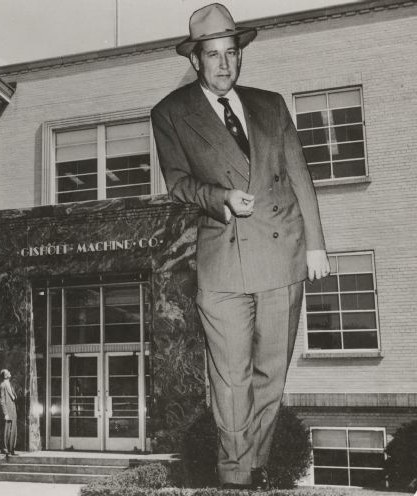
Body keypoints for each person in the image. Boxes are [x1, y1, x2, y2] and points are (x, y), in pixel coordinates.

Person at [151, 3, 330, 489]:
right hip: (224, 259)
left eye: (231, 53)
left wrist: (316, 244)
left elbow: (299, 175)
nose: (224, 64)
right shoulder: (170, 113)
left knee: (271, 374)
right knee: (231, 380)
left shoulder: (270, 104)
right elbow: (178, 183)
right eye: (213, 55)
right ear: (196, 60)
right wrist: (221, 198)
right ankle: (235, 475)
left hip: (283, 252)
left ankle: (254, 467)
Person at [0, 368, 17, 455]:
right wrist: (5, 413)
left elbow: (14, 396)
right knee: (6, 430)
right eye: (8, 372)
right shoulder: (3, 385)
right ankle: (4, 448)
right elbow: (2, 400)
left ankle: (12, 448)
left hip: (13, 409)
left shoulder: (10, 384)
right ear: (5, 376)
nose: (10, 373)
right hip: (7, 410)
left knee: (13, 429)